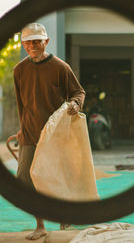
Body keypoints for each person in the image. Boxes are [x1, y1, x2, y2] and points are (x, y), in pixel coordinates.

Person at [14, 22, 86, 240]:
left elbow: (78, 92)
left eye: (37, 41)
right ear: (24, 45)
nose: (33, 46)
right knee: (25, 180)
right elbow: (21, 104)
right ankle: (40, 225)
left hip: (56, 134)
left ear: (46, 41)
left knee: (59, 177)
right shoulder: (19, 70)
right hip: (29, 132)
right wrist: (20, 129)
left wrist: (75, 104)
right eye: (28, 42)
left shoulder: (61, 67)